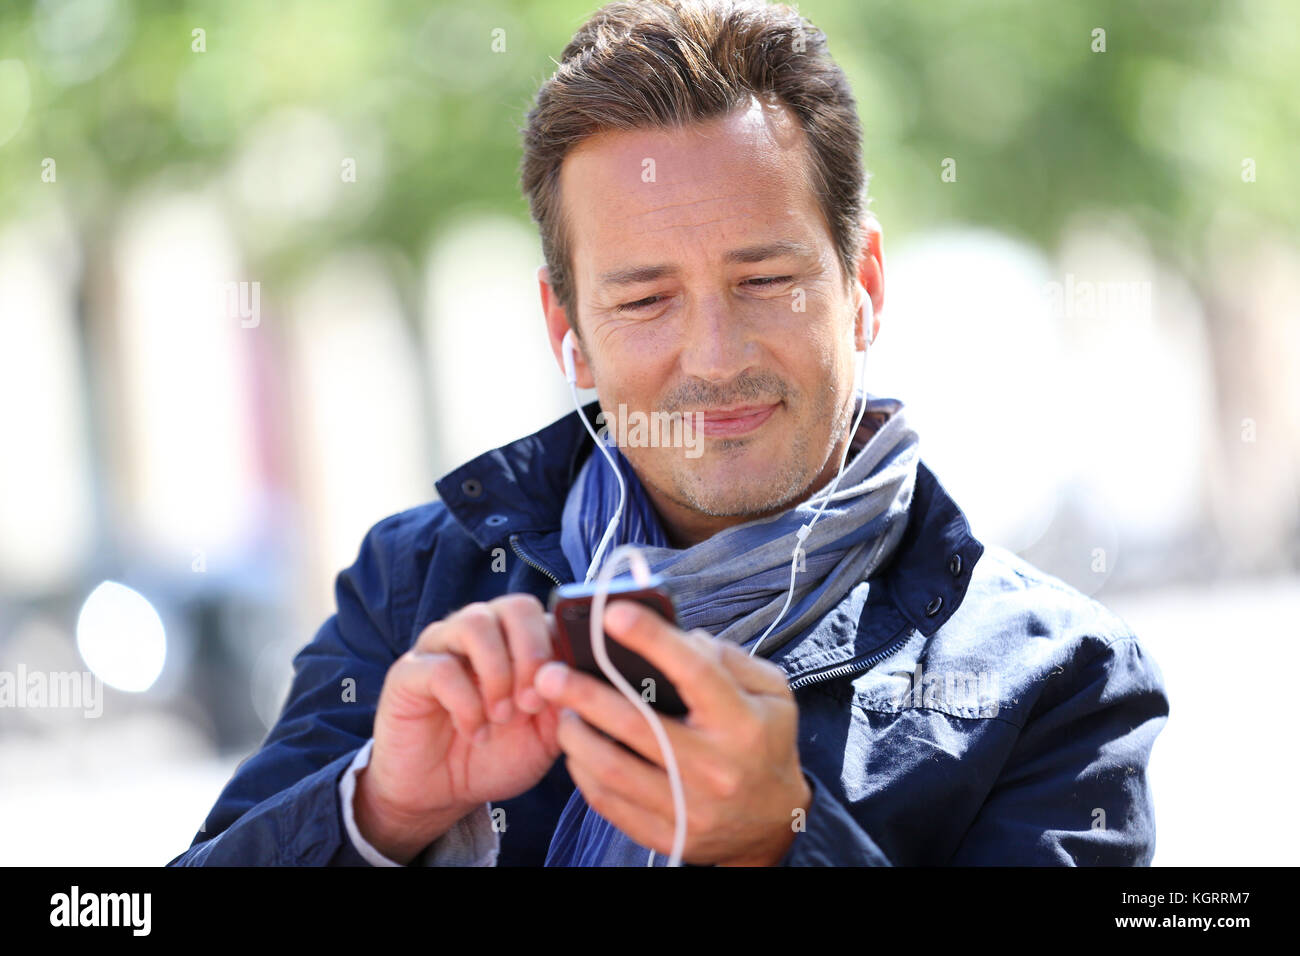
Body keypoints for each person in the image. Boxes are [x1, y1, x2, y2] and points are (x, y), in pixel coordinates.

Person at [169, 0, 1167, 867]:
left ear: (860, 288)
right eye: (644, 298)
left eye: (765, 281)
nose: (714, 354)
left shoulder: (1059, 680)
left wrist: (782, 841)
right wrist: (382, 806)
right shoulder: (419, 581)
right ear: (570, 334)